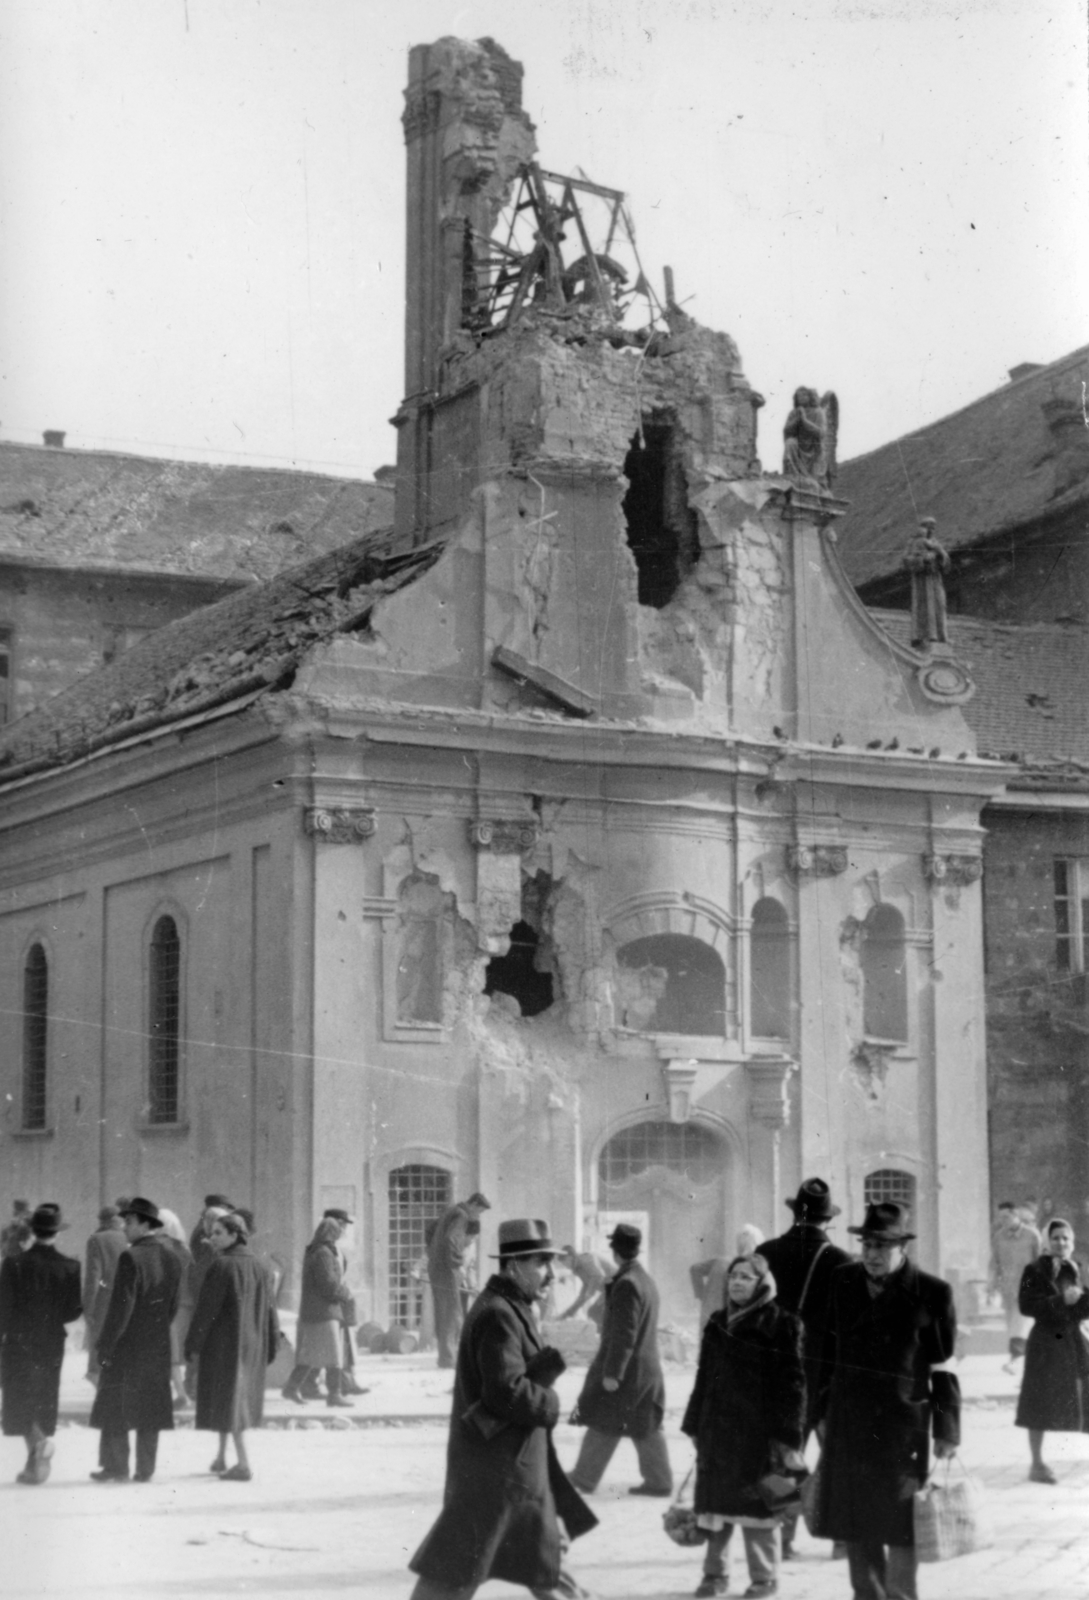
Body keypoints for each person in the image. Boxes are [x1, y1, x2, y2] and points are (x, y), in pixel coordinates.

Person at [408, 1217, 597, 1600]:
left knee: (536, 1565)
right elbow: (505, 1391)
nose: (550, 1275)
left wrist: (548, 1365)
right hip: (497, 1474)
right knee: (457, 1573)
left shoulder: (512, 1306)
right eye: (541, 1264)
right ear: (514, 1266)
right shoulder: (499, 1313)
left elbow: (510, 1375)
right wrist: (553, 1402)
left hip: (512, 1468)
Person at [815, 1202, 959, 1600]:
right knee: (856, 1524)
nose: (873, 1255)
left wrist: (947, 1429)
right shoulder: (842, 1281)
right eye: (868, 1245)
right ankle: (867, 1595)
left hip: (901, 1428)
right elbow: (824, 1354)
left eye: (882, 1246)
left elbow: (942, 1365)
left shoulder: (932, 1292)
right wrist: (818, 1413)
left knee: (900, 1525)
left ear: (902, 1248)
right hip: (848, 1424)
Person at [681, 1252, 805, 1599]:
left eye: (746, 1277)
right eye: (733, 1276)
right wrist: (694, 1424)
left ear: (763, 1284)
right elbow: (703, 1378)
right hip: (717, 1433)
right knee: (715, 1509)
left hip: (759, 1438)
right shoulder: (717, 1322)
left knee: (761, 1509)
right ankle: (715, 1575)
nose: (736, 1282)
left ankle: (765, 1578)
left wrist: (787, 1437)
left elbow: (793, 1385)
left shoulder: (782, 1324)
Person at [756, 1178, 852, 1560]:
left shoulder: (765, 1254)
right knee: (836, 1458)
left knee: (782, 1459)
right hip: (827, 1380)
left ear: (794, 1212)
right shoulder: (842, 1262)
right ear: (827, 1220)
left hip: (778, 1380)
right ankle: (841, 1538)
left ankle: (782, 1538)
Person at [568, 1223, 672, 1497]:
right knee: (644, 1424)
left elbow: (624, 1333)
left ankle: (584, 1477)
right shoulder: (644, 1279)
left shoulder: (626, 1284)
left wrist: (613, 1372)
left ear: (614, 1251)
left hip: (629, 1371)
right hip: (646, 1368)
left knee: (604, 1420)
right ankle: (659, 1481)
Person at [90, 1196, 183, 1483]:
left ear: (145, 1224)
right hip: (156, 1343)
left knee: (117, 1404)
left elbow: (121, 1309)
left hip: (127, 1345)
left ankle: (116, 1466)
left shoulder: (131, 1257)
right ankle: (145, 1469)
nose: (125, 1227)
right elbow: (174, 1305)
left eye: (129, 1222)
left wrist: (105, 1344)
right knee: (150, 1406)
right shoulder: (172, 1255)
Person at [184, 1210, 280, 1481]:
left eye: (217, 1233)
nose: (211, 1238)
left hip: (225, 1346)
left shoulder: (222, 1265)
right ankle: (221, 1456)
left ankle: (244, 1463)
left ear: (234, 1235)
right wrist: (272, 1344)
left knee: (230, 1402)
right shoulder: (260, 1266)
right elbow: (271, 1311)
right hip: (252, 1345)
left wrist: (192, 1343)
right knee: (230, 1401)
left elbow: (206, 1311)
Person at [0, 1202, 82, 1484]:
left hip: (19, 1341)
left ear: (33, 1231)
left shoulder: (13, 1264)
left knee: (20, 1399)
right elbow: (73, 1310)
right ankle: (34, 1465)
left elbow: (3, 1308)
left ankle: (37, 1445)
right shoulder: (70, 1266)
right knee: (44, 1397)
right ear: (56, 1233)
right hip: (51, 1341)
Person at [1014, 1216, 1089, 1484]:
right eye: (1056, 1237)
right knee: (1039, 1402)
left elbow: (1084, 1307)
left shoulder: (1078, 1268)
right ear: (1047, 1241)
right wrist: (1060, 1300)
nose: (1061, 1243)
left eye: (1066, 1238)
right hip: (1046, 1343)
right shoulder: (1034, 1269)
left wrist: (1083, 1300)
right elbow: (1026, 1305)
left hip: (1074, 1341)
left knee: (1086, 1395)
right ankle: (1036, 1464)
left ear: (1072, 1243)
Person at [282, 1217, 355, 1406]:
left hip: (313, 1311)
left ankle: (290, 1388)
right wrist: (346, 1293)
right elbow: (329, 1285)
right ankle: (334, 1395)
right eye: (337, 1230)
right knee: (334, 1356)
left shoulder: (315, 1250)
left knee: (309, 1354)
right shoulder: (324, 1253)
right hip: (325, 1312)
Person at [427, 1191, 491, 1368]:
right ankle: (448, 1359)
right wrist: (457, 1263)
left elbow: (430, 1230)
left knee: (445, 1312)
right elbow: (451, 1238)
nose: (477, 1216)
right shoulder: (462, 1215)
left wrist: (432, 1254)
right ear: (475, 1205)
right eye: (479, 1212)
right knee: (451, 1313)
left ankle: (446, 1357)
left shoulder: (451, 1211)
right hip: (447, 1269)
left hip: (438, 1267)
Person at [990, 1200, 1040, 1376]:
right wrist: (992, 1287)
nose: (1002, 1220)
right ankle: (1027, 1359)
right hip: (1008, 1289)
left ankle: (1015, 1360)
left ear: (1015, 1215)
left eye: (1006, 1216)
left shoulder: (1032, 1235)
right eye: (1000, 1217)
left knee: (1019, 1325)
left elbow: (1041, 1262)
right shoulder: (998, 1237)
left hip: (1028, 1287)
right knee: (1013, 1326)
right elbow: (995, 1264)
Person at [83, 1204, 128, 1385]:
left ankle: (100, 1384)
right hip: (126, 1298)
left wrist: (88, 1308)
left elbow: (93, 1276)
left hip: (104, 1300)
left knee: (99, 1344)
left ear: (102, 1221)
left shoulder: (96, 1239)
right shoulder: (128, 1238)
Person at [157, 1208, 195, 1409]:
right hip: (185, 1305)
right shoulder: (184, 1249)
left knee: (170, 1353)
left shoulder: (163, 1249)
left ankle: (181, 1394)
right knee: (177, 1353)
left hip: (171, 1306)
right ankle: (182, 1392)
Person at [557, 1245, 613, 1329]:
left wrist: (589, 1293)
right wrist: (567, 1314)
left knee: (595, 1312)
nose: (565, 1266)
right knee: (594, 1312)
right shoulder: (579, 1269)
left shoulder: (585, 1260)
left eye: (564, 1262)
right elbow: (582, 1296)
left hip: (618, 1286)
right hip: (610, 1289)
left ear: (570, 1257)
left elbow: (598, 1276)